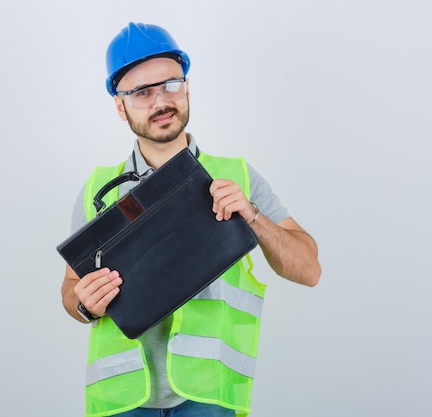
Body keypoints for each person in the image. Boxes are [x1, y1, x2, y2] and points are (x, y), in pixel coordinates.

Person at [61, 22, 321, 417]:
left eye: (170, 85)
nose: (160, 101)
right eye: (141, 92)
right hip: (122, 399)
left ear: (187, 87)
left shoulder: (237, 176)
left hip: (208, 397)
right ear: (120, 106)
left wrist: (251, 216)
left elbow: (309, 269)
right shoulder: (101, 190)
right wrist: (85, 305)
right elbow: (69, 289)